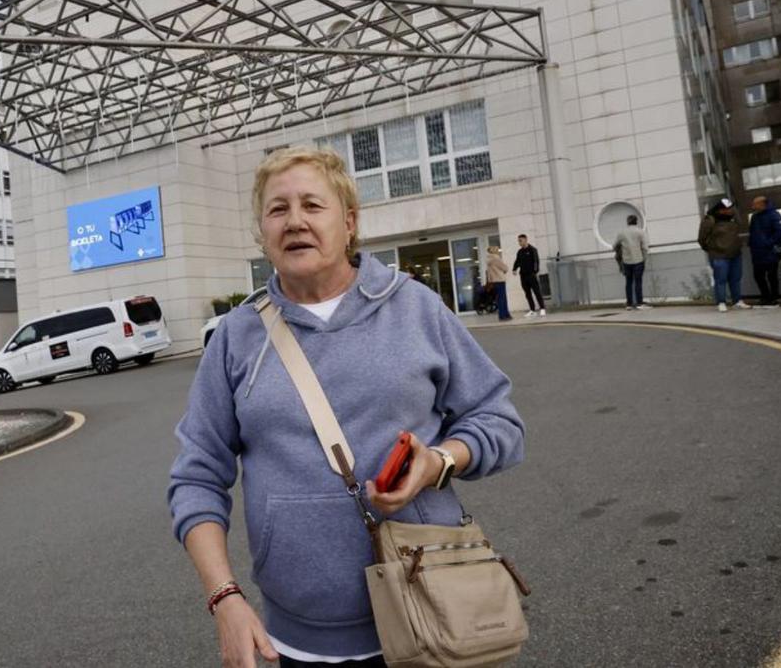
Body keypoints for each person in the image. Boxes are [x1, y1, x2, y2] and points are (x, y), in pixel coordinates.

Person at [167, 146, 526, 668]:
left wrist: (438, 462)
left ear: (349, 222)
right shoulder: (236, 338)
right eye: (277, 209)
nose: (294, 221)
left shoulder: (415, 307)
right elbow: (196, 476)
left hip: (435, 609)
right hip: (298, 640)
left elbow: (499, 421)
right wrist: (224, 597)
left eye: (313, 205)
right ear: (262, 232)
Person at [698, 198, 752, 313]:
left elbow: (741, 223)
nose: (731, 210)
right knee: (720, 280)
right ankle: (721, 302)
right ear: (721, 210)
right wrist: (711, 249)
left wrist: (735, 212)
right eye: (729, 208)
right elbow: (701, 239)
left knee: (735, 279)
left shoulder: (732, 220)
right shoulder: (710, 220)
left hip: (735, 254)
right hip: (719, 255)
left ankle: (737, 301)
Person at [748, 196, 781, 308]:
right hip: (757, 251)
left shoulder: (774, 215)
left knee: (771, 275)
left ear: (762, 204)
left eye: (755, 204)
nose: (753, 206)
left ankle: (774, 298)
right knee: (758, 275)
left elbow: (780, 231)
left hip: (770, 251)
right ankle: (765, 297)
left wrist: (768, 243)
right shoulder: (754, 217)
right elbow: (752, 232)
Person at [613, 214, 651, 310]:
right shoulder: (640, 232)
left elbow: (614, 246)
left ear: (627, 222)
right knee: (638, 282)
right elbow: (645, 247)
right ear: (636, 221)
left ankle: (629, 304)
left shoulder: (621, 233)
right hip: (638, 260)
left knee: (628, 282)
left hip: (626, 261)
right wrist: (644, 258)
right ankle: (639, 303)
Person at [512, 234, 547, 317]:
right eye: (518, 241)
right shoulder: (520, 252)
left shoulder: (532, 250)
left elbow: (536, 261)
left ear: (525, 240)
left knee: (537, 292)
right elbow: (517, 261)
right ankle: (532, 310)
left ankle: (542, 308)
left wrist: (535, 272)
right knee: (527, 293)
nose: (519, 242)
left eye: (520, 240)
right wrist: (514, 269)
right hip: (523, 276)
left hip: (531, 275)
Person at [485, 245, 512, 321]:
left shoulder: (489, 259)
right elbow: (504, 267)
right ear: (493, 250)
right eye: (497, 249)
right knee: (503, 298)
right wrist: (505, 269)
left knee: (499, 298)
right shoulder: (495, 258)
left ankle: (502, 315)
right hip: (500, 280)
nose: (498, 250)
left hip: (494, 281)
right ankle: (505, 315)